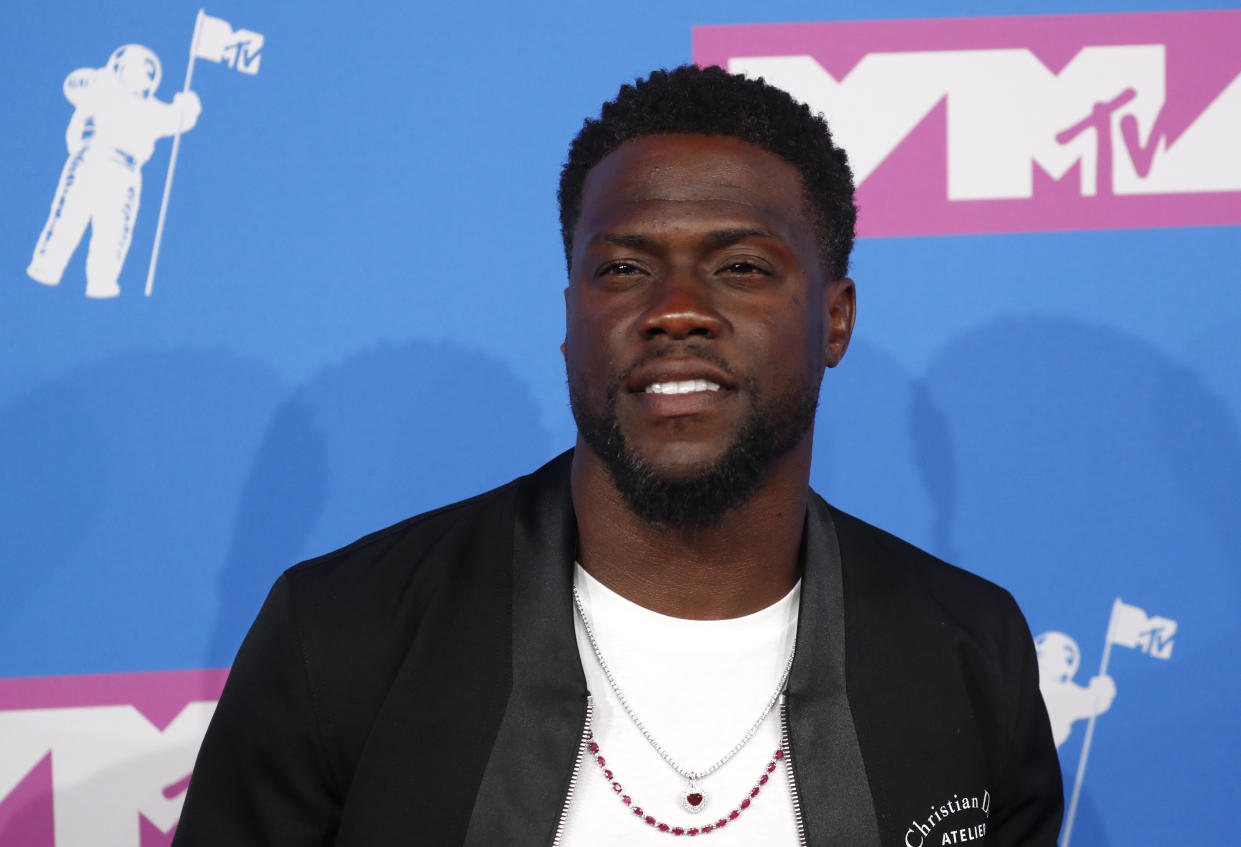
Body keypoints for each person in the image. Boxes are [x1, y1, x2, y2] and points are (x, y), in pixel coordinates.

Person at [172, 65, 1062, 846]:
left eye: (742, 267)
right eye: (624, 270)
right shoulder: (341, 633)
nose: (675, 309)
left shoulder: (968, 651)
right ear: (569, 323)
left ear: (834, 319)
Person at [27, 44, 201, 299]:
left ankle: (102, 281)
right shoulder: (101, 89)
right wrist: (101, 79)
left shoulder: (151, 109)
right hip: (91, 157)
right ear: (119, 66)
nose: (143, 74)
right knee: (69, 215)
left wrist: (187, 108)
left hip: (126, 172)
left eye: (148, 71)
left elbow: (176, 119)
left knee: (114, 228)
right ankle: (47, 266)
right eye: (138, 67)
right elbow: (73, 84)